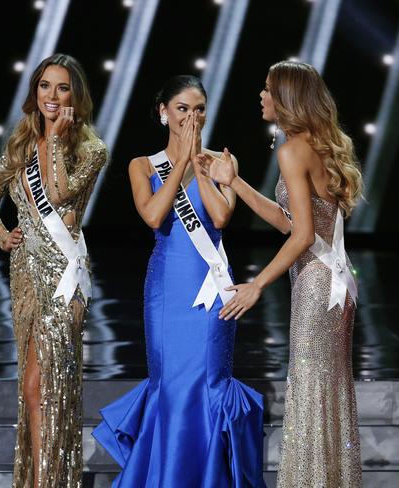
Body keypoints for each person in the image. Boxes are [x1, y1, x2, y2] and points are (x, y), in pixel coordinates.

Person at [93, 75, 265, 488]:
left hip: (211, 289)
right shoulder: (141, 165)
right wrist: (181, 163)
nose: (192, 116)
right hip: (167, 291)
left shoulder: (223, 162)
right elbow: (153, 215)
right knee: (169, 385)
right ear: (163, 112)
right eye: (183, 108)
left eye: (199, 108)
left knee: (208, 383)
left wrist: (200, 168)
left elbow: (221, 218)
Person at [199, 61, 363, 487]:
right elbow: (290, 221)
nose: (261, 95)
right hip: (336, 283)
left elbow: (303, 234)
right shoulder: (312, 145)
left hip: (316, 285)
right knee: (325, 392)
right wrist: (234, 182)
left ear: (287, 98)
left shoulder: (292, 150)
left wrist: (257, 284)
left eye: (268, 89)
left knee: (312, 390)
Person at [0, 53, 107, 487]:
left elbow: (59, 191)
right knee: (31, 386)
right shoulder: (19, 146)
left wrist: (53, 138)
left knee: (48, 385)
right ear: (35, 92)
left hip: (63, 277)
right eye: (45, 86)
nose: (52, 95)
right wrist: (2, 235)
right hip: (25, 275)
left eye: (63, 87)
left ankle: (49, 481)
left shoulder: (92, 149)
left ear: (76, 97)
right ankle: (38, 478)